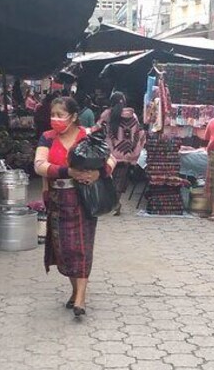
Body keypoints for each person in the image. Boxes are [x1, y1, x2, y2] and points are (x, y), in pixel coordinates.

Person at [34, 96, 115, 319]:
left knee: (82, 248)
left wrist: (99, 173)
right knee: (65, 250)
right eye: (53, 115)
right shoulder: (47, 138)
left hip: (84, 199)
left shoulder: (87, 136)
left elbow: (111, 160)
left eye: (60, 115)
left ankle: (81, 297)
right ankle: (74, 290)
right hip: (58, 199)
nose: (55, 119)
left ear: (73, 117)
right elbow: (39, 165)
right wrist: (67, 171)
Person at [98, 91, 145, 215]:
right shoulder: (133, 117)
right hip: (126, 155)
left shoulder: (107, 115)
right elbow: (138, 135)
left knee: (106, 179)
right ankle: (115, 204)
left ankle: (108, 203)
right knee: (119, 181)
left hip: (109, 154)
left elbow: (98, 129)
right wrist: (133, 153)